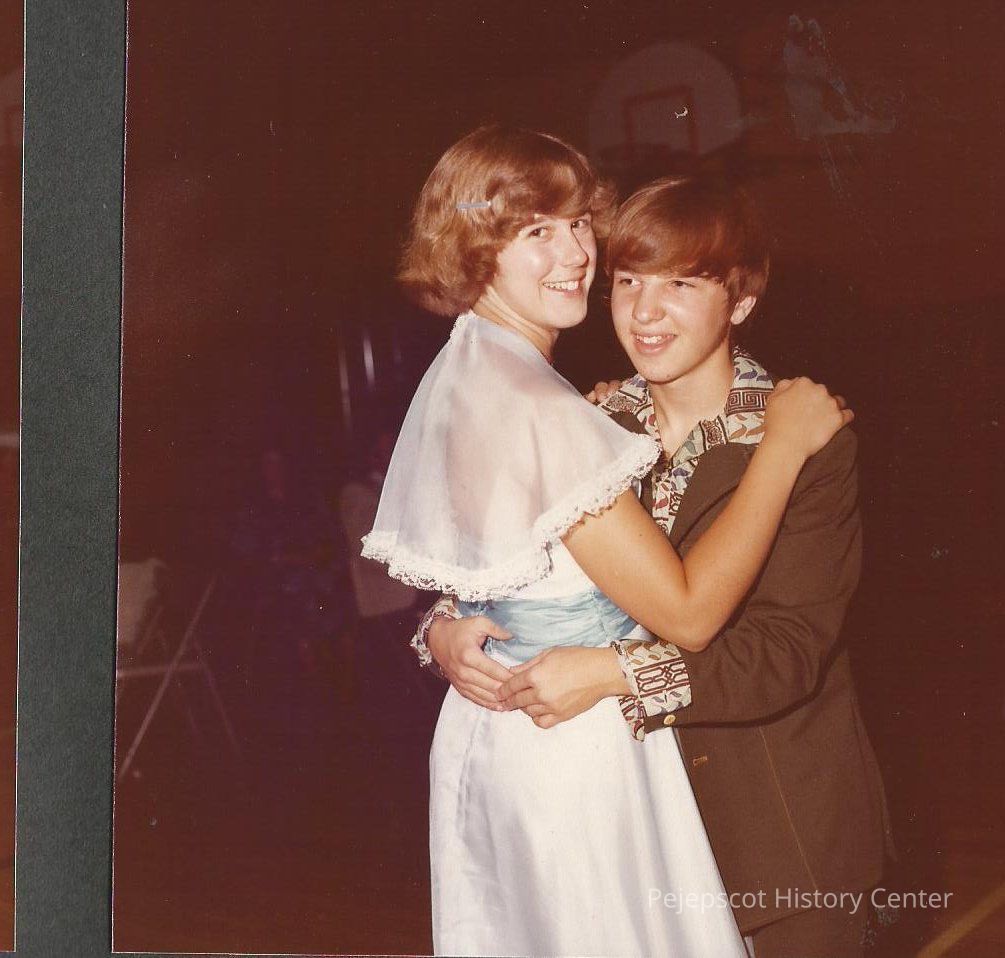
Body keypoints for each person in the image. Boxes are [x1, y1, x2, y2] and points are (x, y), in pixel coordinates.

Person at [363, 125, 851, 958]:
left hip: (751, 816)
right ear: (477, 250)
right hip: (577, 767)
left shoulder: (487, 371)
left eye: (577, 224)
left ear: (738, 301)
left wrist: (463, 629)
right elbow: (666, 609)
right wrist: (442, 626)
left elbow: (781, 652)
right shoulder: (573, 413)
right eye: (536, 231)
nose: (577, 258)